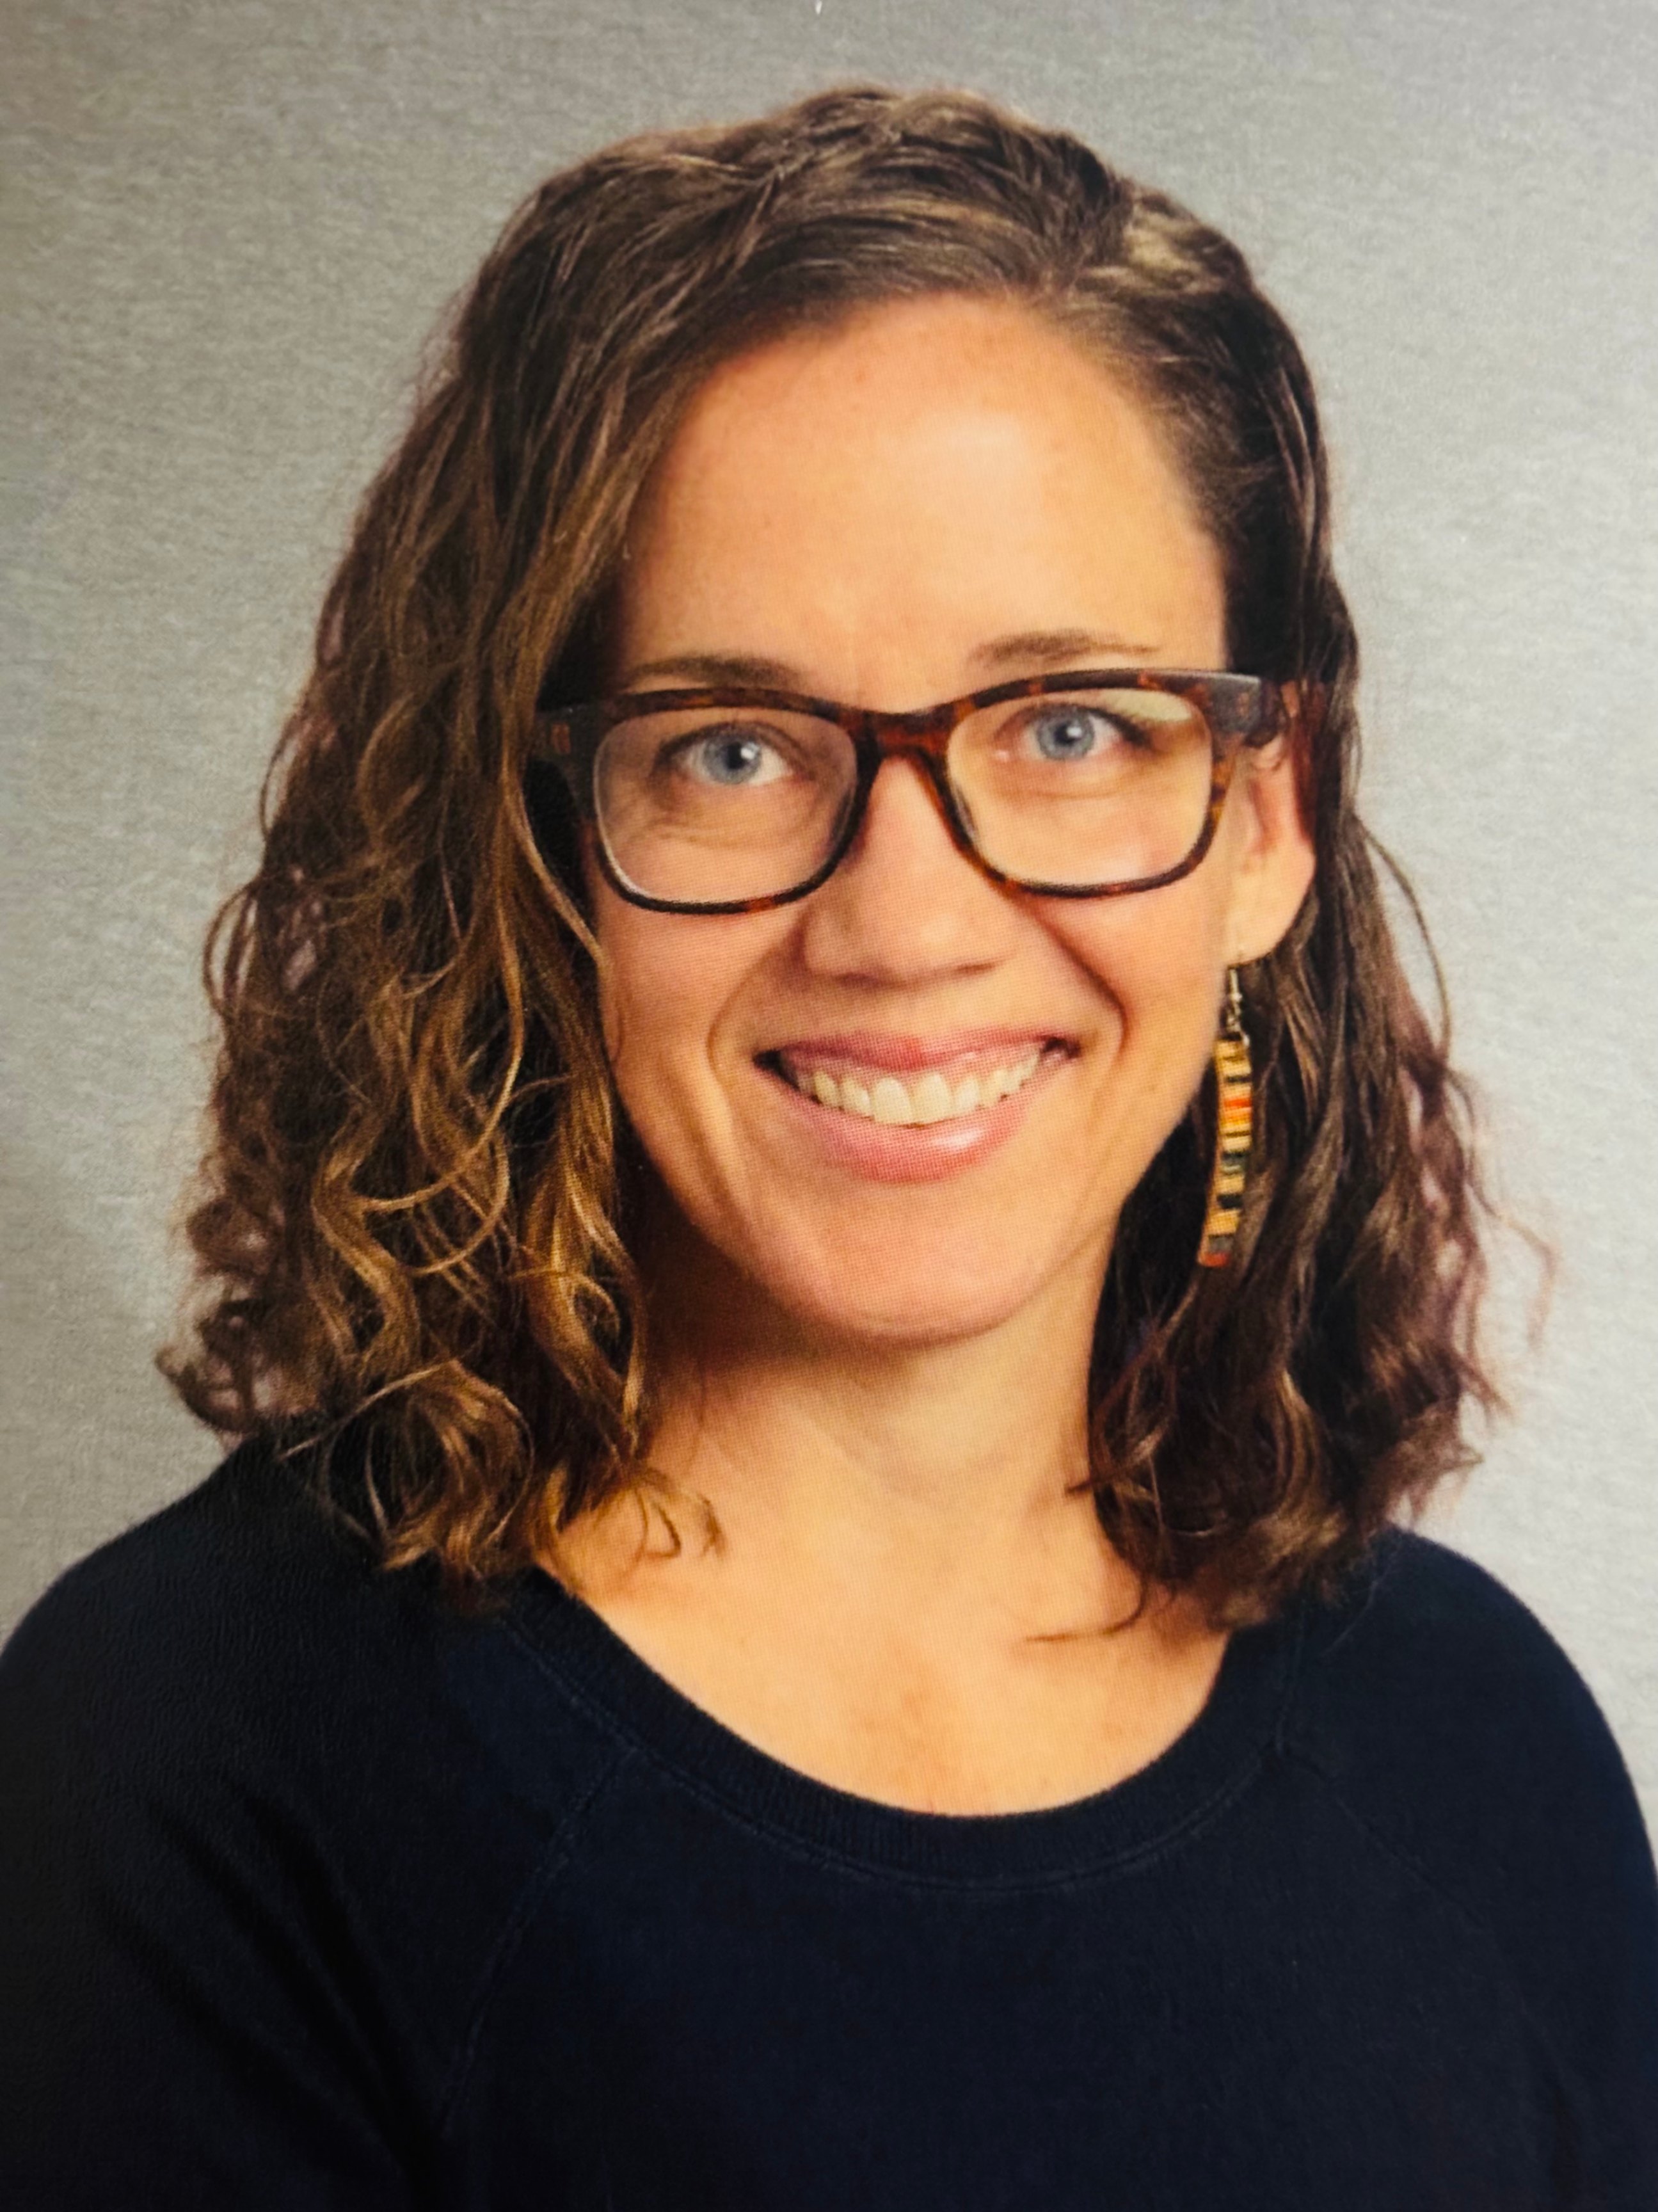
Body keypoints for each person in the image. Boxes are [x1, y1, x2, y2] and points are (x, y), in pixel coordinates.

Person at [1, 83, 1654, 2211]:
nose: (902, 922)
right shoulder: (190, 1769)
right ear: (538, 848)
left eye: (1069, 726)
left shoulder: (1479, 1749)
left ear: (1266, 818)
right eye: (732, 748)